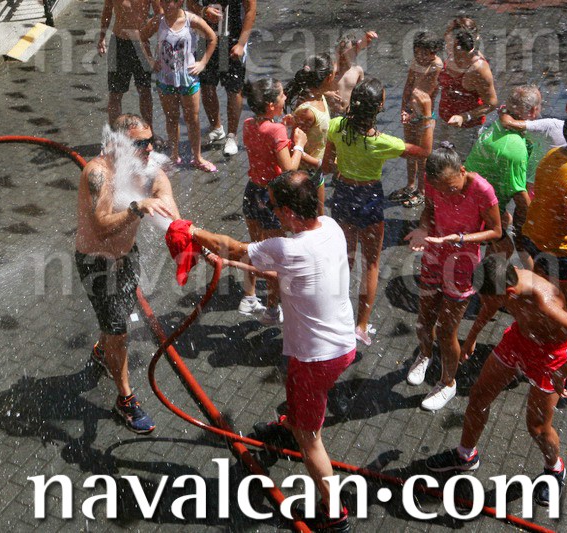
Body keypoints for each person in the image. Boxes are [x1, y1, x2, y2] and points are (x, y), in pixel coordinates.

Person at [189, 170, 357, 531]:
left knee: (311, 441)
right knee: (296, 393)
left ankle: (334, 513)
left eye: (275, 207)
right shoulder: (330, 227)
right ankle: (291, 425)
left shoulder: (287, 247)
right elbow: (291, 274)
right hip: (340, 346)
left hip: (316, 357)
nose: (273, 212)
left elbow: (233, 245)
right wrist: (233, 265)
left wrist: (189, 230)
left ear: (290, 211)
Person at [427, 257, 567, 508]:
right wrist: (471, 337)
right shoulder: (504, 278)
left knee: (537, 427)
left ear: (510, 292)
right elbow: (492, 303)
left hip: (552, 356)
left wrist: (562, 373)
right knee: (478, 397)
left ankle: (555, 469)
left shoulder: (543, 301)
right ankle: (466, 456)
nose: (484, 302)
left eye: (488, 297)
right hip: (519, 341)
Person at [75, 114, 180, 433]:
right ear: (118, 143)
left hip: (127, 257)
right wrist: (136, 208)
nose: (149, 148)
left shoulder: (149, 170)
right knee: (119, 331)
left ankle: (102, 349)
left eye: (151, 141)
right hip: (97, 264)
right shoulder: (98, 173)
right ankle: (125, 400)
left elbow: (172, 214)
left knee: (114, 321)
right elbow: (101, 227)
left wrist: (196, 243)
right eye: (140, 143)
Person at [323, 79, 433, 345]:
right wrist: (428, 115)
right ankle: (361, 325)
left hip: (343, 196)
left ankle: (334, 316)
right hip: (369, 199)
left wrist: (347, 162)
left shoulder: (336, 126)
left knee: (344, 260)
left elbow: (326, 167)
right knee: (370, 264)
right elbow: (424, 152)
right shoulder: (383, 142)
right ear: (379, 108)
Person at [403, 143, 501, 411]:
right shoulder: (432, 180)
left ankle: (448, 383)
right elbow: (429, 210)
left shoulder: (482, 190)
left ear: (463, 170)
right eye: (441, 188)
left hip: (463, 263)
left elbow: (496, 231)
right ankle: (425, 355)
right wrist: (423, 229)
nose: (446, 194)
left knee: (447, 331)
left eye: (451, 188)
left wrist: (458, 238)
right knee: (424, 319)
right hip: (434, 255)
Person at [238, 78, 308, 325]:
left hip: (252, 193)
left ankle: (249, 296)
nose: (285, 98)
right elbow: (290, 170)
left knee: (255, 247)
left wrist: (281, 127)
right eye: (282, 96)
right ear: (270, 105)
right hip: (270, 197)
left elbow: (264, 141)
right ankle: (272, 308)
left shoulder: (248, 124)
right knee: (275, 257)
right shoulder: (275, 130)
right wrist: (299, 145)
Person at [140, 0, 217, 172]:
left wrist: (203, 63)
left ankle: (197, 157)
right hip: (166, 79)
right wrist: (150, 60)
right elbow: (142, 37)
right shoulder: (158, 21)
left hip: (188, 78)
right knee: (171, 117)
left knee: (192, 119)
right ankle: (174, 155)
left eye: (171, 1)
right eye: (164, 1)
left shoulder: (191, 20)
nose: (166, 5)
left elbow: (212, 37)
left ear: (180, 1)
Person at [465, 86, 539, 259]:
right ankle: (487, 271)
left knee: (505, 219)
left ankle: (485, 254)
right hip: (478, 205)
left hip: (469, 192)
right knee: (506, 249)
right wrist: (539, 221)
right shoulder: (514, 148)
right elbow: (520, 197)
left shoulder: (500, 123)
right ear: (533, 111)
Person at [186, 0, 256, 156]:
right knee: (207, 86)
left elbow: (251, 10)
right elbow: (190, 4)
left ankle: (232, 135)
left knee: (233, 88)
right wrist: (203, 10)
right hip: (206, 38)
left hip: (232, 39)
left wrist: (241, 43)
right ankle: (216, 128)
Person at [521, 110, 567, 305]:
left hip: (537, 238)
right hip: (559, 252)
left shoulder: (553, 154)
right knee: (562, 306)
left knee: (542, 297)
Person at [392, 30, 444, 208]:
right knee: (409, 150)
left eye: (423, 53)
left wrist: (412, 112)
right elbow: (408, 85)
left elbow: (425, 92)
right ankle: (410, 185)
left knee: (422, 155)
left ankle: (422, 191)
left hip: (424, 116)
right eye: (416, 52)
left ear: (433, 52)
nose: (419, 57)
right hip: (411, 111)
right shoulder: (417, 62)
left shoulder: (436, 65)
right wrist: (403, 109)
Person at [436, 16, 497, 157]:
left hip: (465, 130)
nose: (446, 44)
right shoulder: (451, 54)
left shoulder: (478, 69)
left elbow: (492, 103)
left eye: (449, 41)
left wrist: (465, 116)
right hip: (443, 119)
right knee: (438, 160)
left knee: (460, 164)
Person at [98, 0, 161, 129]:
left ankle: (149, 132)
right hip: (118, 43)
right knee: (115, 93)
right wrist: (102, 37)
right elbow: (107, 10)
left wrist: (147, 31)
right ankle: (114, 135)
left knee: (144, 90)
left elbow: (160, 14)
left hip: (141, 43)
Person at [285, 53, 335, 215]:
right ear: (328, 78)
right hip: (304, 175)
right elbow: (293, 147)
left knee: (320, 217)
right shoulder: (307, 111)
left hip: (316, 172)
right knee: (306, 219)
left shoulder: (319, 96)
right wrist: (319, 163)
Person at [499, 97, 567, 198]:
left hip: (536, 189)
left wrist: (504, 110)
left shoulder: (552, 126)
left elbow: (508, 123)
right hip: (561, 193)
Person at [328, 30, 377, 115]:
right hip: (332, 114)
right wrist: (328, 93)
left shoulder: (357, 71)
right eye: (340, 53)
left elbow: (361, 93)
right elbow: (318, 89)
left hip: (350, 113)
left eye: (347, 54)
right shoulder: (332, 72)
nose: (343, 57)